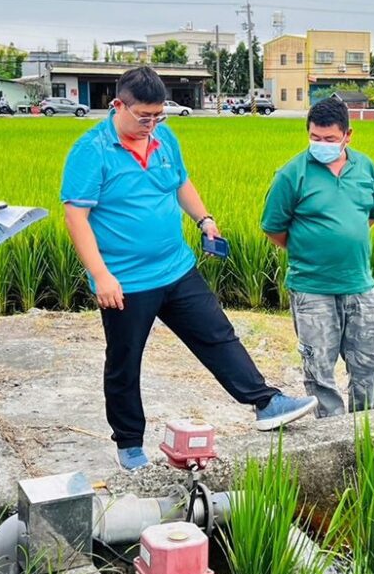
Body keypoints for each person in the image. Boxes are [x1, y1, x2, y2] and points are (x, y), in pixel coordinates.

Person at [61, 66, 317, 471]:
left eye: (157, 116)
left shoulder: (164, 138)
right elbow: (76, 217)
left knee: (217, 333)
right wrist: (101, 275)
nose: (150, 125)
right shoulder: (91, 151)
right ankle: (129, 444)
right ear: (117, 106)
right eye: (143, 116)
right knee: (125, 361)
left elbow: (181, 182)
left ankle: (265, 402)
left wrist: (204, 219)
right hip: (125, 280)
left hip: (175, 267)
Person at [261, 97, 374, 419]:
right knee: (319, 371)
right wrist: (311, 250)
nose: (322, 145)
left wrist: (341, 239)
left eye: (330, 139)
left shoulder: (366, 168)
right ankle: (333, 438)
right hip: (312, 289)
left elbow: (369, 217)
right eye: (315, 138)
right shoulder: (291, 174)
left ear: (348, 135)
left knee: (370, 366)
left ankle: (365, 433)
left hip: (360, 286)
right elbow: (274, 229)